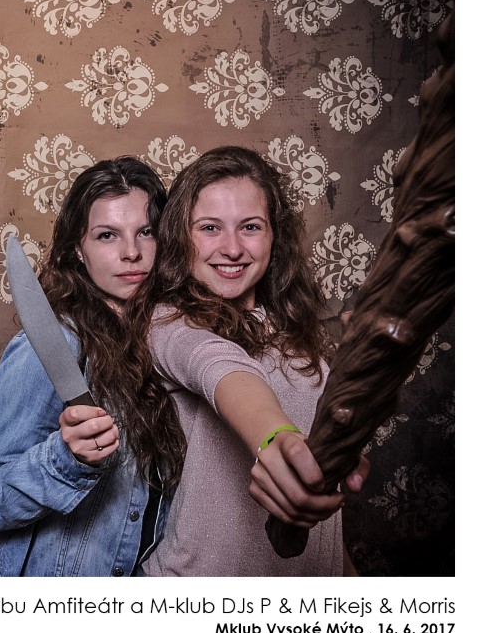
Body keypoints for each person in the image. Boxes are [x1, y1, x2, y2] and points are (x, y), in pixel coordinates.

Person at [129, 145, 364, 576]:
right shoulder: (167, 322)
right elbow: (219, 366)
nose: (233, 248)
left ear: (275, 235)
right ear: (181, 235)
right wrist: (276, 436)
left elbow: (325, 521)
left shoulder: (299, 333)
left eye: (250, 227)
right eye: (210, 228)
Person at [0, 156, 187, 576]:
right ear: (78, 250)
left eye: (146, 232)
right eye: (107, 235)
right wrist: (66, 459)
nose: (131, 253)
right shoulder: (54, 346)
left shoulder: (171, 346)